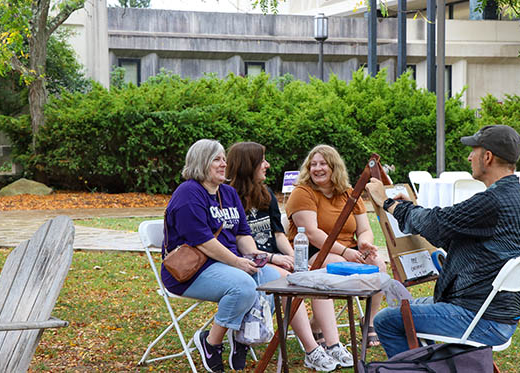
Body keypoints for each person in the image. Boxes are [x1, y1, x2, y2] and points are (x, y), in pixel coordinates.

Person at [365, 124, 520, 358]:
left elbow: (437, 223)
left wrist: (387, 203)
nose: (469, 157)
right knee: (401, 309)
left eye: (473, 151)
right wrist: (413, 210)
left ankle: (419, 367)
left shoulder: (493, 201)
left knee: (385, 320)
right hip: (495, 314)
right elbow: (447, 227)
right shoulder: (517, 197)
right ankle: (431, 364)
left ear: (487, 157)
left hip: (481, 319)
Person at [161, 139, 281, 372]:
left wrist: (255, 256)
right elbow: (203, 242)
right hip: (192, 271)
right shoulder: (188, 193)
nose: (223, 164)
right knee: (243, 287)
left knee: (272, 279)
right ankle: (210, 342)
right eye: (216, 159)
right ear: (201, 162)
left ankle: (242, 337)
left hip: (227, 264)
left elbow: (242, 234)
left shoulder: (228, 193)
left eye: (223, 159)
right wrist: (238, 262)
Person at [226, 141, 340, 371]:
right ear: (248, 165)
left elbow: (278, 234)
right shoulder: (228, 197)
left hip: (275, 259)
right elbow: (239, 246)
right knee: (287, 283)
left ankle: (333, 343)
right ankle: (311, 350)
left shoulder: (265, 193)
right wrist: (274, 259)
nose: (267, 165)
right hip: (248, 263)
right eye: (262, 161)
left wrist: (295, 259)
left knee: (313, 275)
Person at [285, 144, 387, 351]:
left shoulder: (349, 194)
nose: (317, 168)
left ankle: (369, 321)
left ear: (334, 167)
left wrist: (365, 242)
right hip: (313, 251)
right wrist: (345, 252)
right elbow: (312, 233)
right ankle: (320, 328)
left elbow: (364, 229)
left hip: (350, 249)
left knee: (378, 265)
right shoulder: (302, 192)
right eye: (313, 164)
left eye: (323, 164)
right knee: (337, 265)